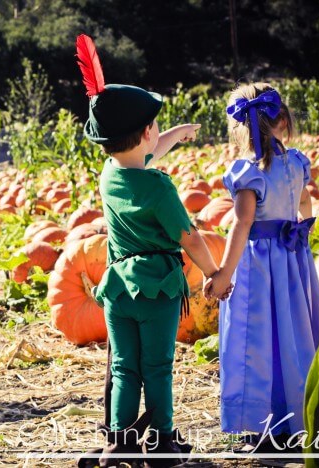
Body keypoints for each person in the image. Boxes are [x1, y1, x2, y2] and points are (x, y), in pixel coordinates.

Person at [74, 34, 228, 468]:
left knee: (125, 368)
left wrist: (174, 135)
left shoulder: (109, 174)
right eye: (157, 127)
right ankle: (160, 444)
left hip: (117, 291)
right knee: (158, 368)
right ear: (145, 132)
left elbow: (137, 156)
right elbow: (190, 237)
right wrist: (215, 272)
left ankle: (118, 442)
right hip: (157, 290)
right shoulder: (159, 186)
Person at [204, 83, 319, 451]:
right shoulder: (297, 162)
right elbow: (304, 202)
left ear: (239, 131)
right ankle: (298, 418)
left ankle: (263, 429)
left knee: (257, 340)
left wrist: (222, 273)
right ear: (282, 120)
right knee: (294, 336)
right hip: (292, 262)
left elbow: (243, 223)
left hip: (258, 266)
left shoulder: (248, 172)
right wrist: (298, 235)